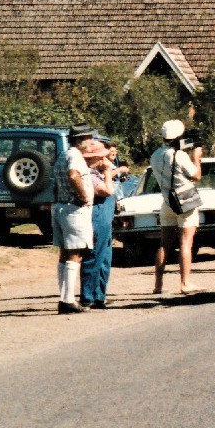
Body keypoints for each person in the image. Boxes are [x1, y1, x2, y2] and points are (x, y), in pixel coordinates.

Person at [151, 118, 202, 297]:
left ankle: (158, 284)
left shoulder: (155, 155)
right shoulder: (179, 156)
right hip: (185, 201)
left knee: (164, 244)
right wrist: (196, 158)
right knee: (185, 243)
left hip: (167, 201)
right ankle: (185, 283)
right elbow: (196, 175)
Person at [52, 126, 97, 314]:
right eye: (88, 138)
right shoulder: (76, 156)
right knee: (75, 253)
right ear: (79, 140)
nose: (91, 142)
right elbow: (74, 175)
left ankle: (64, 297)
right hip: (74, 209)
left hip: (61, 206)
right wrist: (84, 196)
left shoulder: (63, 154)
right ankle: (68, 300)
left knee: (64, 254)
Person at [79, 133, 125, 309]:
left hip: (105, 216)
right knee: (94, 255)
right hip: (97, 214)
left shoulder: (96, 172)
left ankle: (99, 295)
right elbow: (107, 191)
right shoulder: (89, 174)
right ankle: (88, 296)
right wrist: (107, 171)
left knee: (105, 257)